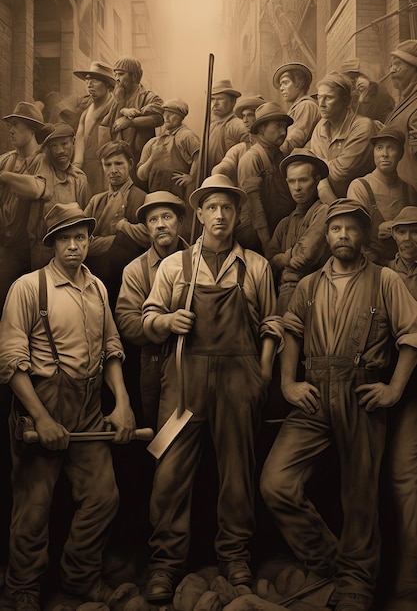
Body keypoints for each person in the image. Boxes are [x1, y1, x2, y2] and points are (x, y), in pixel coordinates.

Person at [260, 198, 417, 611]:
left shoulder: (386, 281)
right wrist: (289, 383)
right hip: (314, 392)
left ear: (363, 236)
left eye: (350, 229)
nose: (342, 236)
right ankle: (330, 560)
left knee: (360, 494)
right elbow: (291, 332)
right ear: (326, 235)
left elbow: (411, 337)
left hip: (362, 393)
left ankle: (357, 583)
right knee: (275, 482)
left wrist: (394, 390)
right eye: (335, 229)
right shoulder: (310, 285)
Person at [141, 173, 284, 602]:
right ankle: (165, 564)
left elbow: (272, 324)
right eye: (212, 208)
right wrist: (167, 321)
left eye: (228, 207)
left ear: (237, 214)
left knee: (238, 474)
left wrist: (261, 372)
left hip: (240, 383)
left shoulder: (255, 266)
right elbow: (147, 318)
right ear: (199, 214)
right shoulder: (173, 266)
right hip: (184, 385)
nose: (220, 215)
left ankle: (236, 558)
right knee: (168, 475)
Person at [0, 202, 137, 611]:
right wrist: (41, 418)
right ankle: (22, 588)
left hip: (90, 403)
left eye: (80, 237)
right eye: (65, 239)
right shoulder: (29, 288)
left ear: (89, 241)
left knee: (103, 497)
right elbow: (9, 359)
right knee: (34, 505)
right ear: (52, 244)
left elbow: (112, 348)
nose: (75, 246)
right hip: (43, 399)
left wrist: (123, 404)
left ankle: (79, 578)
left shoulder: (96, 287)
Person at [115, 191, 188, 430]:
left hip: (199, 360)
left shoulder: (201, 260)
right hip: (156, 362)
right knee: (163, 440)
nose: (160, 225)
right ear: (146, 228)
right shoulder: (135, 271)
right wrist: (164, 324)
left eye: (166, 217)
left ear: (180, 221)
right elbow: (126, 321)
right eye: (153, 220)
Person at [381, 206, 417, 611]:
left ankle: (408, 587)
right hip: (391, 386)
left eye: (415, 233)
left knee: (405, 478)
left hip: (410, 388)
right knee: (389, 479)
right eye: (402, 233)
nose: (409, 240)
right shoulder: (382, 275)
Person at [0, 121, 91, 271]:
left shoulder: (79, 179)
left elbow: (85, 214)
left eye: (64, 144)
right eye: (54, 146)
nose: (60, 150)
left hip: (71, 248)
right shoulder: (41, 166)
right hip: (40, 247)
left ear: (73, 142)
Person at [84, 140, 149, 309]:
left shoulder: (141, 198)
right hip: (94, 275)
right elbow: (82, 240)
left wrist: (123, 232)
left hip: (125, 279)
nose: (113, 170)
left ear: (130, 164)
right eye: (108, 164)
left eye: (119, 163)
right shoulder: (96, 201)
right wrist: (113, 240)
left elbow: (146, 238)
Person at [266, 148, 330, 315]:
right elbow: (268, 262)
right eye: (292, 181)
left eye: (303, 180)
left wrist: (280, 259)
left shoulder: (323, 212)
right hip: (284, 296)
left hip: (316, 294)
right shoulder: (285, 224)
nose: (297, 188)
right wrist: (286, 259)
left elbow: (305, 256)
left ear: (316, 180)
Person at [347, 126, 417, 265]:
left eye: (391, 148)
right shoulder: (360, 186)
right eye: (379, 148)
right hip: (368, 264)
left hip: (403, 266)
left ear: (401, 153)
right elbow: (353, 234)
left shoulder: (409, 190)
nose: (384, 154)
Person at [0, 102, 44, 309]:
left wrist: (5, 177)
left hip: (30, 246)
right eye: (10, 125)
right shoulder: (6, 159)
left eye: (16, 124)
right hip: (5, 243)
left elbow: (35, 189)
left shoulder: (43, 160)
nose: (11, 130)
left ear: (32, 128)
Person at [137, 98, 200, 241]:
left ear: (181, 117)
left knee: (180, 232)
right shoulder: (153, 143)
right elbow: (141, 175)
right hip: (156, 194)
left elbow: (199, 157)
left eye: (172, 114)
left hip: (179, 195)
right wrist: (153, 158)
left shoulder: (186, 136)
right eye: (165, 113)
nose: (167, 117)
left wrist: (191, 176)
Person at [310, 71, 378, 201]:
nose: (321, 103)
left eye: (328, 98)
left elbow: (340, 173)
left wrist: (319, 173)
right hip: (327, 201)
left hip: (359, 202)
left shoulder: (363, 127)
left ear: (345, 100)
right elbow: (314, 168)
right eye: (319, 97)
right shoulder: (321, 127)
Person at [237, 102, 294, 254]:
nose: (283, 132)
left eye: (285, 127)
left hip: (278, 231)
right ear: (261, 128)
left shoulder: (280, 156)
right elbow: (254, 205)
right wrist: (267, 243)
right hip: (257, 237)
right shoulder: (252, 159)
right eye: (278, 126)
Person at [101, 56, 164, 180]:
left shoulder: (148, 97)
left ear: (134, 76)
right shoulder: (117, 98)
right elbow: (106, 124)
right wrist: (119, 105)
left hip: (139, 161)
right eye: (115, 75)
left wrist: (130, 122)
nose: (117, 79)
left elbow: (159, 118)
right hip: (117, 160)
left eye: (121, 74)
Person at [73, 61, 116, 195]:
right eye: (87, 80)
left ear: (108, 85)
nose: (89, 85)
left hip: (108, 169)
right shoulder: (85, 113)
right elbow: (79, 144)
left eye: (95, 80)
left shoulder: (115, 109)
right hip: (87, 170)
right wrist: (77, 169)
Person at [384, 40, 417, 190]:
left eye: (398, 64)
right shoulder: (406, 101)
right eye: (391, 65)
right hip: (399, 189)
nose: (392, 70)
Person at [211, 95, 266, 184]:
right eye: (243, 116)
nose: (245, 120)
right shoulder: (239, 149)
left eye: (250, 115)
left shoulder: (276, 146)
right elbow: (225, 166)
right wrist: (218, 174)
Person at [272, 62, 320, 156]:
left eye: (285, 82)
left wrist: (272, 154)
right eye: (281, 84)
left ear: (299, 83)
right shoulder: (297, 107)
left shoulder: (306, 106)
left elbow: (293, 142)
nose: (281, 88)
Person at [208, 80, 249, 173]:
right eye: (212, 99)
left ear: (233, 102)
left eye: (220, 99)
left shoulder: (238, 125)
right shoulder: (211, 126)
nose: (215, 104)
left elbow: (251, 154)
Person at [339, 58, 394, 124]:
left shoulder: (382, 97)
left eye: (359, 76)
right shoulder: (352, 104)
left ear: (367, 77)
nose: (357, 82)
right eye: (352, 80)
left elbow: (388, 125)